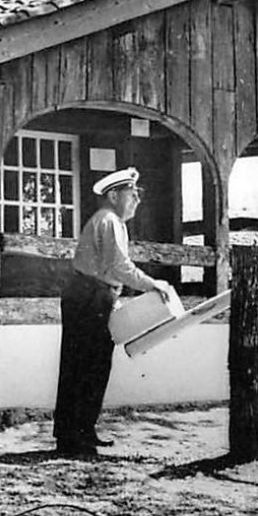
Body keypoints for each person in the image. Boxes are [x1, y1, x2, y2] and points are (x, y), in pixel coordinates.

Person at [53, 166, 178, 457]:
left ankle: (83, 431)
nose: (136, 200)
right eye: (131, 194)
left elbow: (111, 271)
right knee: (83, 366)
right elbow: (119, 267)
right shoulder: (107, 220)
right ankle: (73, 437)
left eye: (138, 194)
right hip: (88, 297)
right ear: (113, 195)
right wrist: (152, 284)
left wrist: (114, 296)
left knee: (95, 366)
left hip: (97, 295)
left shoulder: (113, 222)